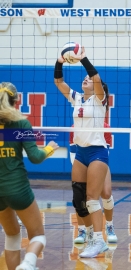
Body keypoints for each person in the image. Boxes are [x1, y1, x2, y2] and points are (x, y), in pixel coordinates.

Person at [54, 47, 111, 258]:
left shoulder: (100, 99)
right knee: (78, 199)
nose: (85, 79)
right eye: (84, 78)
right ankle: (88, 234)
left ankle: (99, 241)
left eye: (88, 78)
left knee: (92, 198)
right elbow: (58, 82)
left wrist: (82, 58)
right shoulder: (77, 98)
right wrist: (59, 62)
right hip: (80, 153)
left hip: (97, 153)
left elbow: (96, 77)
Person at [0, 82, 59, 270]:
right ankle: (28, 264)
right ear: (16, 100)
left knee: (12, 236)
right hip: (18, 188)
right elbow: (35, 157)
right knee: (38, 236)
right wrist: (50, 148)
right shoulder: (21, 123)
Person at [69, 123, 118, 245]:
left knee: (106, 193)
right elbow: (73, 153)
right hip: (80, 160)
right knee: (80, 194)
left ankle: (109, 226)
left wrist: (93, 170)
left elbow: (105, 153)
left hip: (98, 161)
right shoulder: (75, 127)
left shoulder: (105, 127)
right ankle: (82, 230)